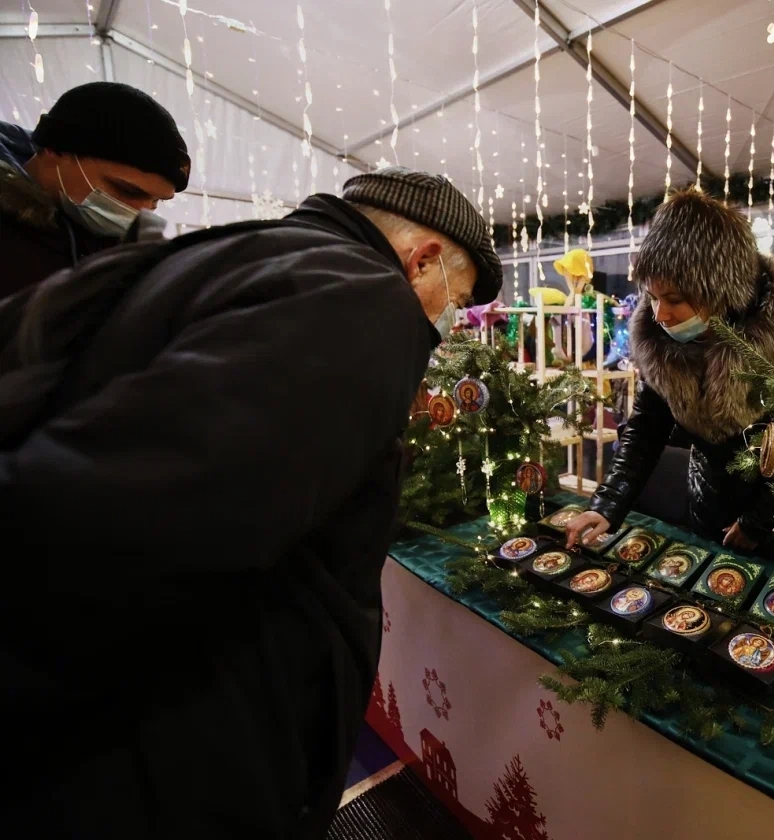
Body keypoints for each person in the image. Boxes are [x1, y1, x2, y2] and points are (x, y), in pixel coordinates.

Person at [0, 166, 500, 837]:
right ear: (423, 259)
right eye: (454, 300)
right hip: (170, 762)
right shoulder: (358, 304)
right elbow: (134, 528)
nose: (447, 322)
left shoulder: (248, 255)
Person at [564, 188, 774, 556]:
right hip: (705, 511)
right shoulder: (663, 341)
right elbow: (646, 429)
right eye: (653, 297)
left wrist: (758, 523)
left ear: (720, 290)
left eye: (675, 300)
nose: (659, 314)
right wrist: (606, 505)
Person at [0, 81, 190, 299]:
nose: (142, 212)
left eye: (157, 201)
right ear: (55, 150)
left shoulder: (116, 247)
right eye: (127, 190)